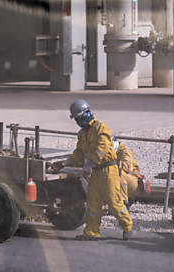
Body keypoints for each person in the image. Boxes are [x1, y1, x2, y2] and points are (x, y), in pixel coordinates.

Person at [65, 99, 134, 240]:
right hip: (95, 172)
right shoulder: (82, 133)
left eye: (78, 118)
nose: (77, 121)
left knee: (114, 202)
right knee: (93, 203)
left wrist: (89, 164)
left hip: (108, 170)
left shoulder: (101, 127)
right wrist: (70, 161)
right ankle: (91, 232)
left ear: (84, 114)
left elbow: (102, 149)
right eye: (76, 119)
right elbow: (79, 151)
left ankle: (127, 227)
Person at [114, 139, 148, 205]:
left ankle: (123, 203)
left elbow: (126, 167)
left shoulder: (125, 151)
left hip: (135, 183)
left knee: (116, 173)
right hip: (128, 181)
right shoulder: (115, 151)